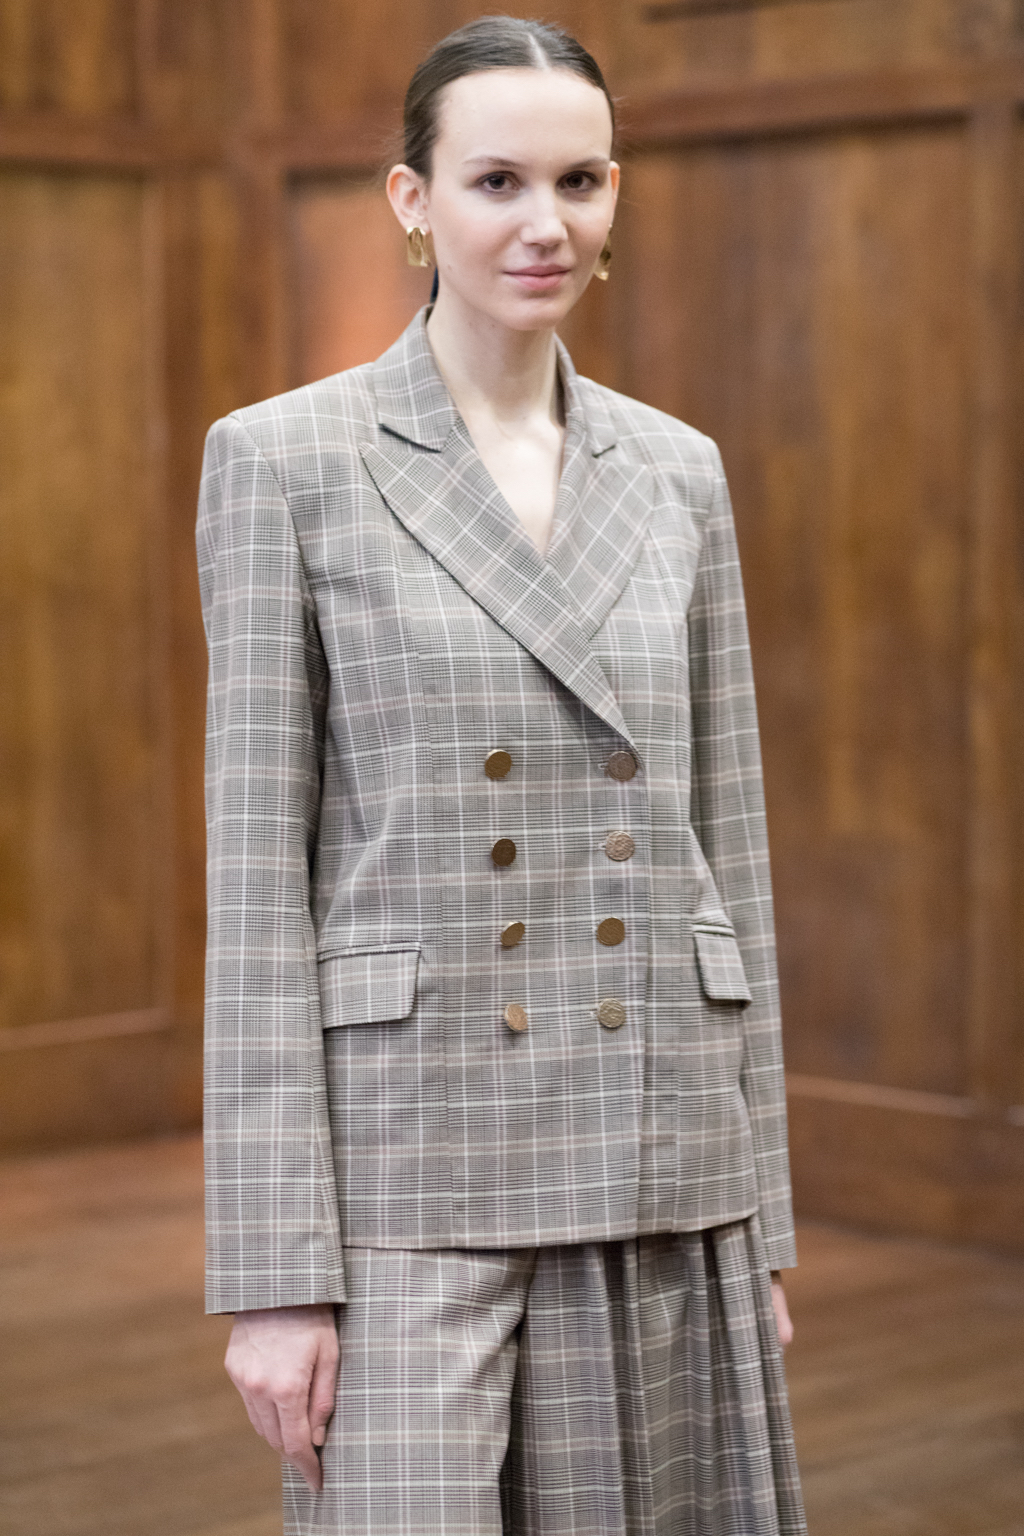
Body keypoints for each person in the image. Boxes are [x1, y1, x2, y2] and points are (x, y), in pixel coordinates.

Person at [197, 16, 806, 1536]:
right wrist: (274, 1275)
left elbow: (727, 841)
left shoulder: (677, 469)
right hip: (417, 1162)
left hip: (662, 1144)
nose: (546, 224)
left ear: (615, 197)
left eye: (579, 181)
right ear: (413, 201)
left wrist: (766, 1221)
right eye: (497, 181)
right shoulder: (288, 460)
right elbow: (257, 886)